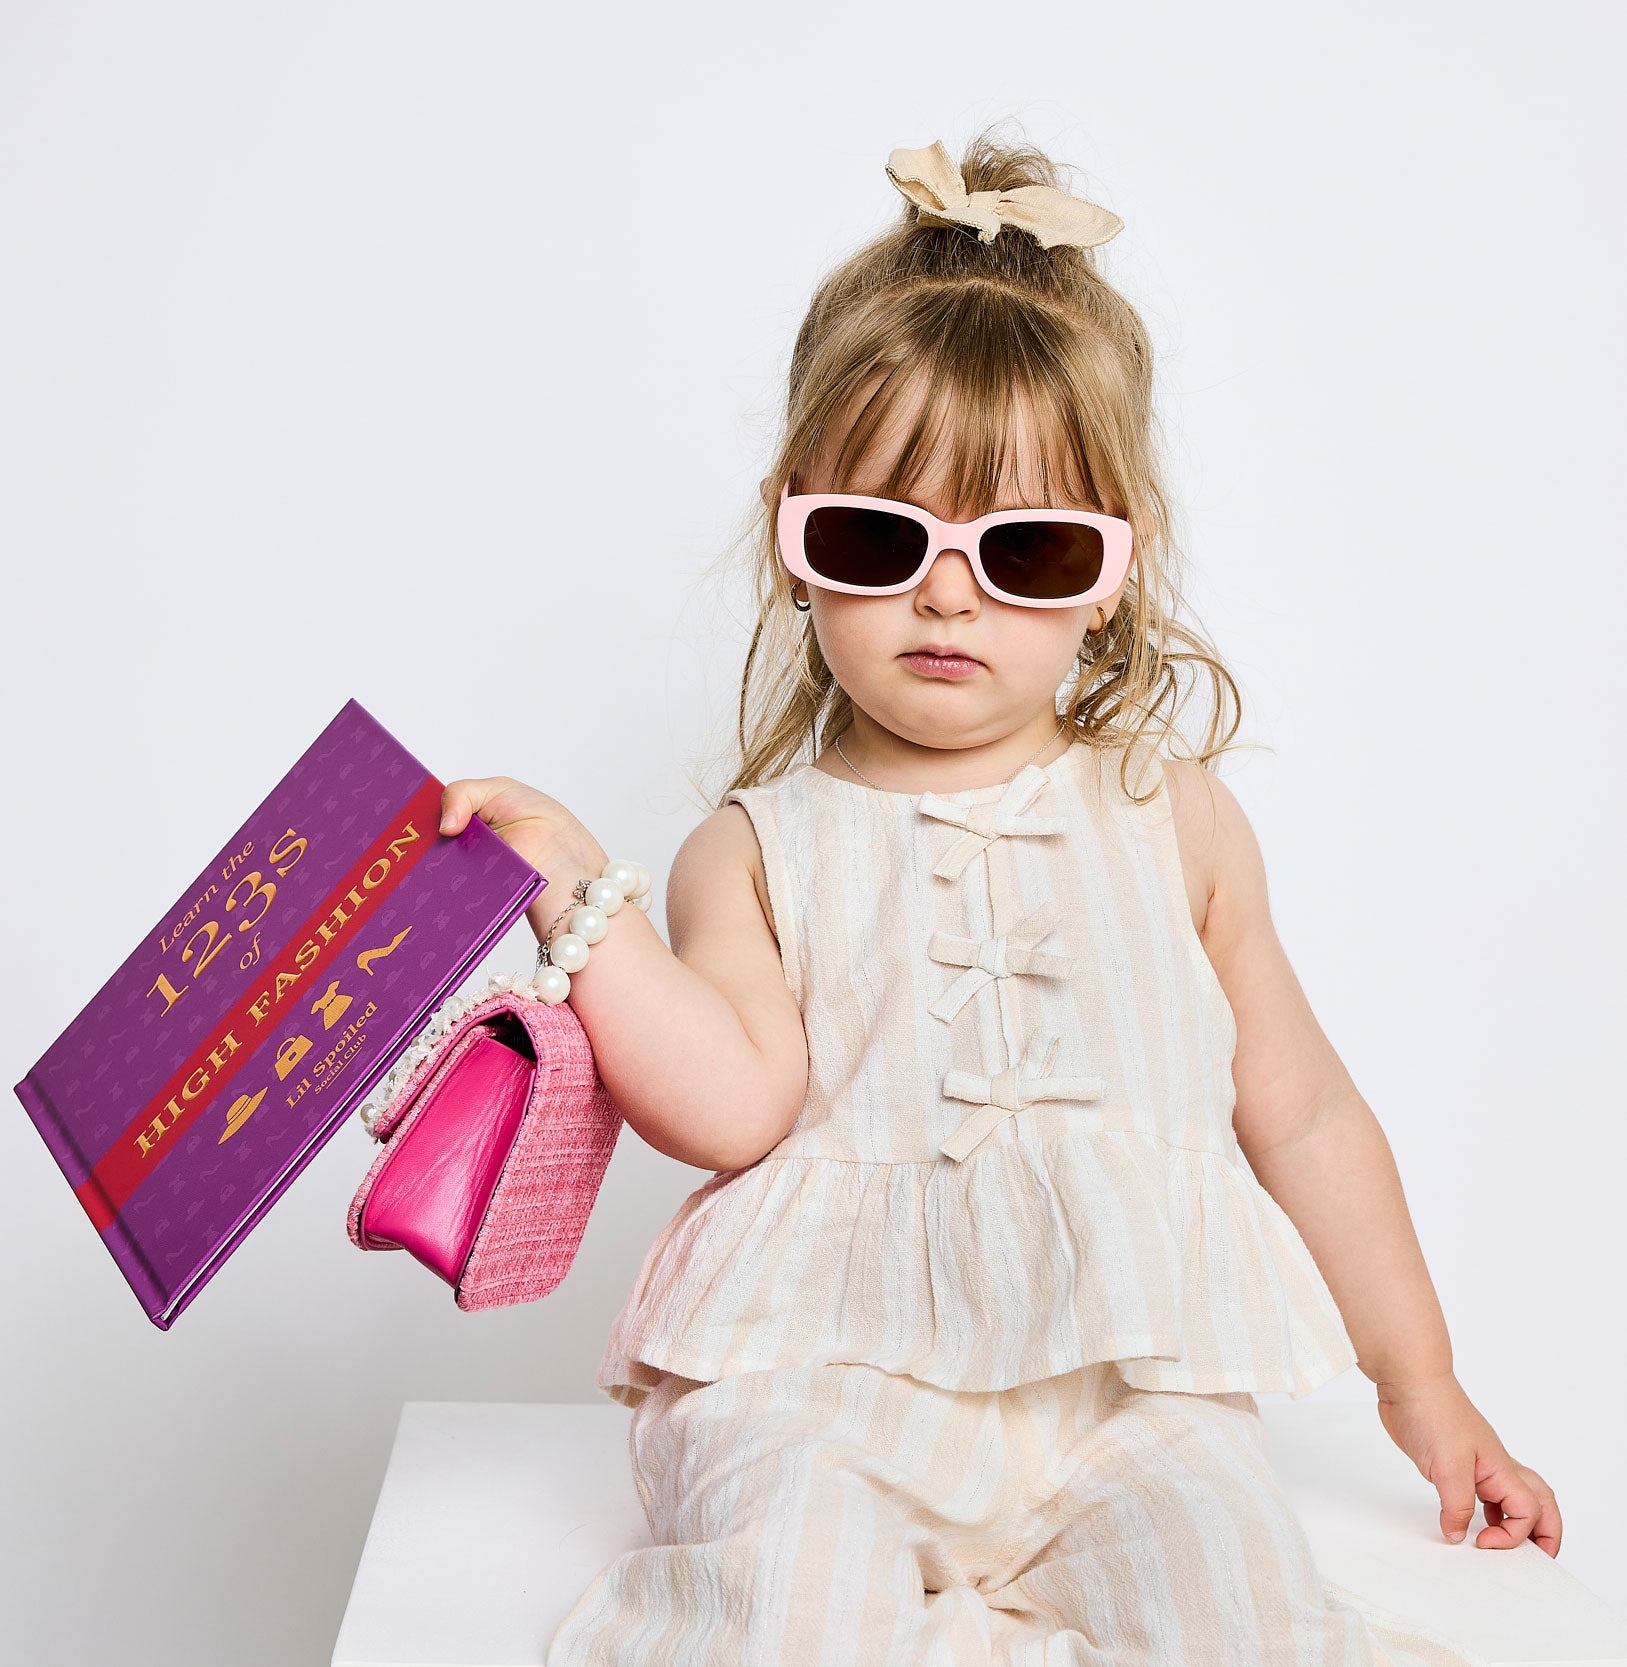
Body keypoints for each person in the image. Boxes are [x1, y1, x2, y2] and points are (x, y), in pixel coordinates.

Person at [439, 127, 1561, 1665]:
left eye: (1023, 547)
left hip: (1118, 1394)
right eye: (877, 539)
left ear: (1113, 566)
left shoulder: (1178, 819)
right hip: (816, 1383)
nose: (947, 593)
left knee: (1235, 1601)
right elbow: (732, 1106)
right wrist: (581, 894)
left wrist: (1422, 1389)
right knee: (796, 1594)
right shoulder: (757, 844)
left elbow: (1299, 1117)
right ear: (791, 543)